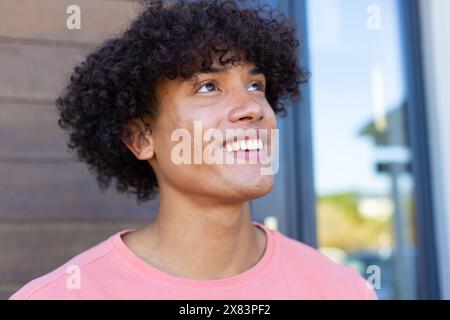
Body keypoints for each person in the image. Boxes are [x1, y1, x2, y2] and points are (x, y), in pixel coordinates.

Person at [10, 0, 377, 300]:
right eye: (208, 87)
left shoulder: (342, 290)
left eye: (255, 84)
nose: (254, 107)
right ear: (141, 138)